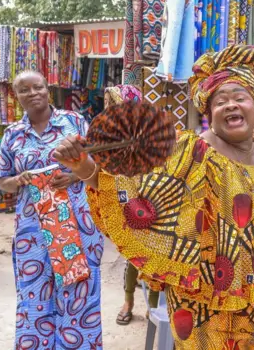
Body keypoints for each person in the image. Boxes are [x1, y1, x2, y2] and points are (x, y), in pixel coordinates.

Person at [54, 45, 254, 349]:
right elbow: (128, 189)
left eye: (239, 98)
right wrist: (83, 166)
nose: (230, 105)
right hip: (203, 307)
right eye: (220, 101)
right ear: (209, 113)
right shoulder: (189, 153)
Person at [0, 71, 103, 348]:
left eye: (38, 87)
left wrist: (74, 176)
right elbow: (2, 181)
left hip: (77, 225)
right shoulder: (12, 135)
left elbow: (99, 166)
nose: (32, 93)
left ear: (48, 89)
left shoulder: (75, 122)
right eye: (24, 90)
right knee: (35, 294)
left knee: (79, 292)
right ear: (16, 95)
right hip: (32, 231)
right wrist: (18, 180)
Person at [104, 84, 160, 326]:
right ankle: (128, 301)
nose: (110, 110)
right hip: (124, 200)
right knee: (131, 254)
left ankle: (155, 305)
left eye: (115, 105)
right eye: (107, 105)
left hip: (151, 199)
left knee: (154, 254)